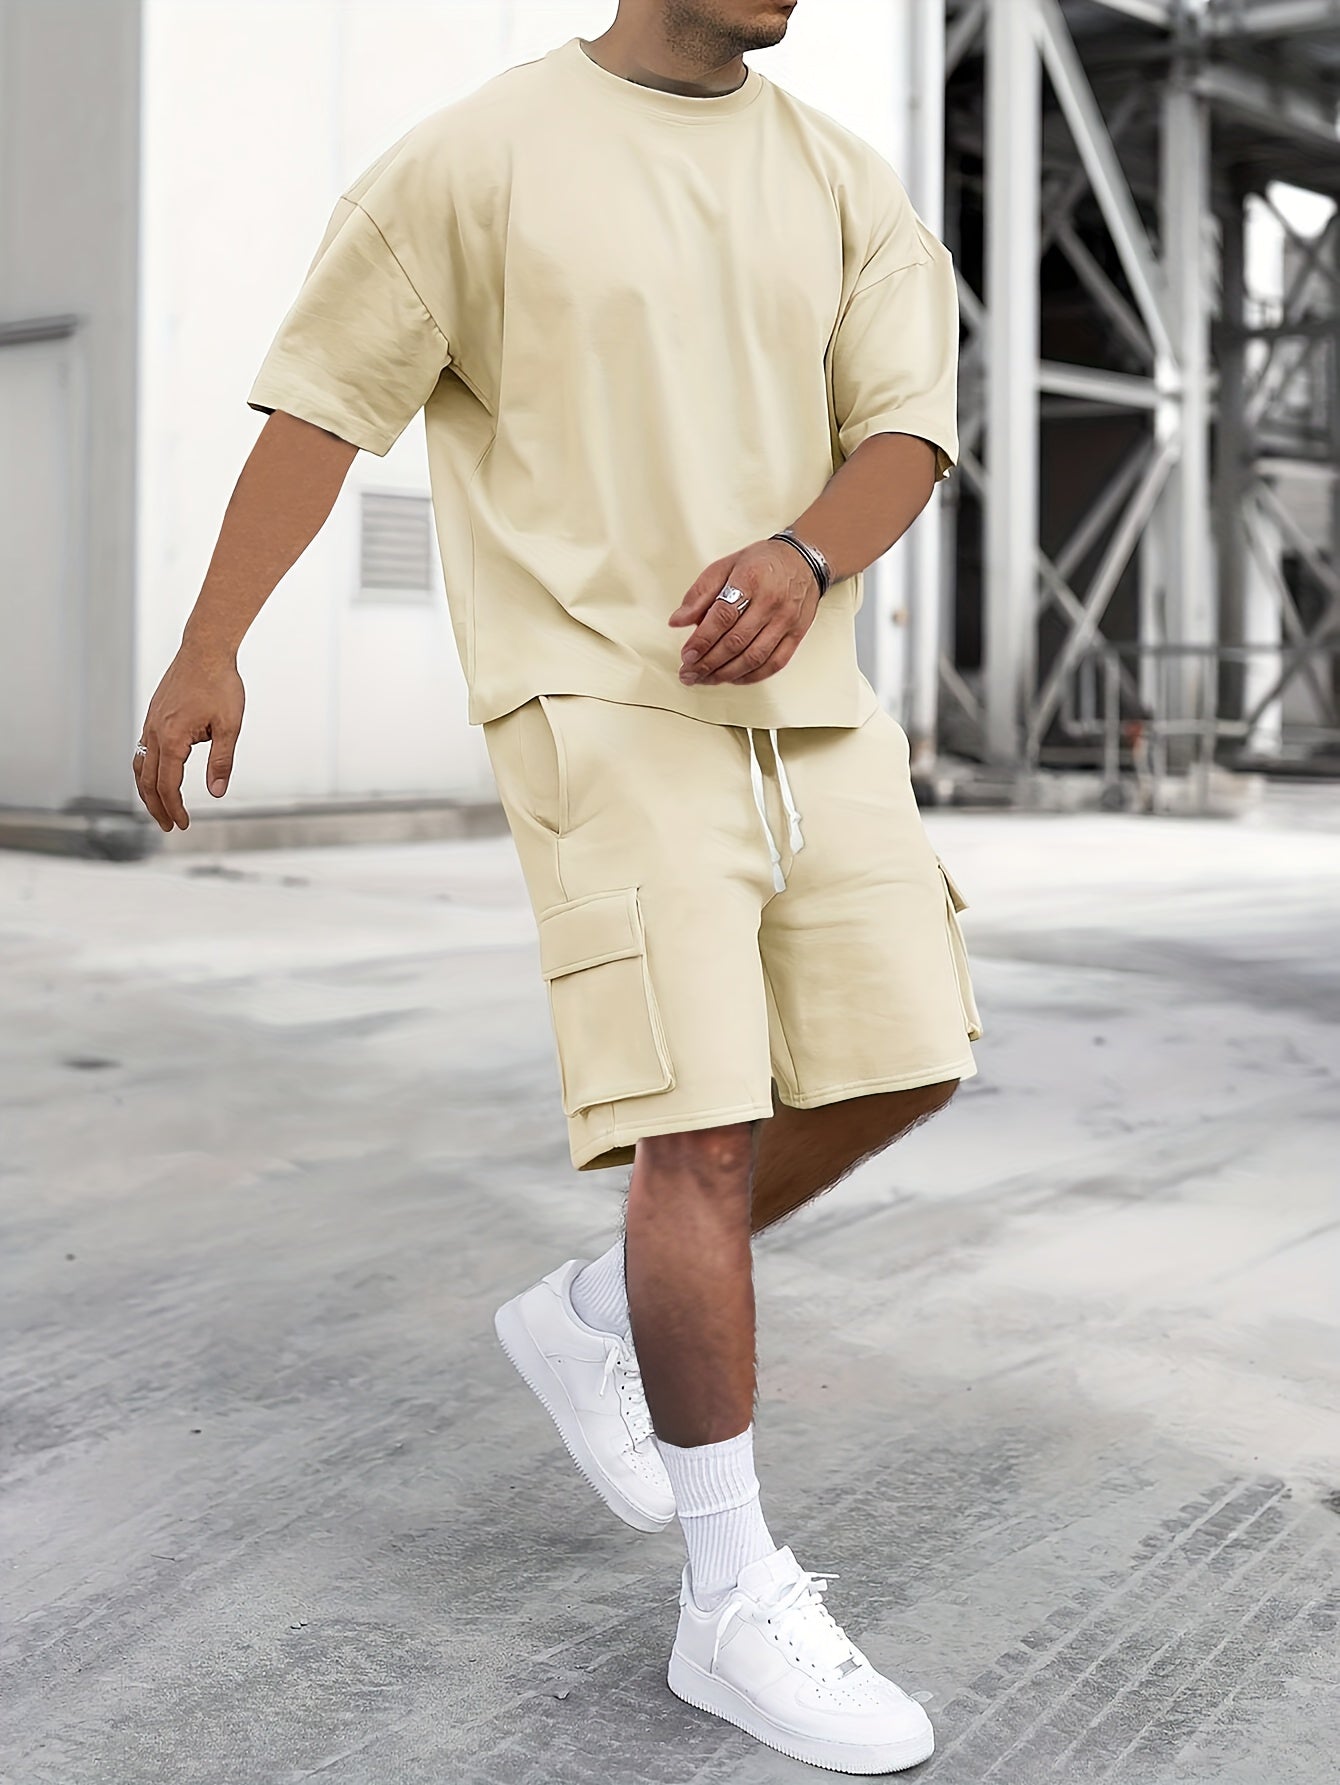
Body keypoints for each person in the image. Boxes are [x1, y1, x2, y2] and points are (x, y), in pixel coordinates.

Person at [132, 1, 982, 1772]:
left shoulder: (845, 182)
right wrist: (211, 643)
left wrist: (808, 553)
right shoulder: (476, 162)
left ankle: (596, 1312)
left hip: (813, 702)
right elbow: (322, 410)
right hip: (599, 700)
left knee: (909, 1059)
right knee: (700, 1136)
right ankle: (731, 1598)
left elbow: (904, 430)